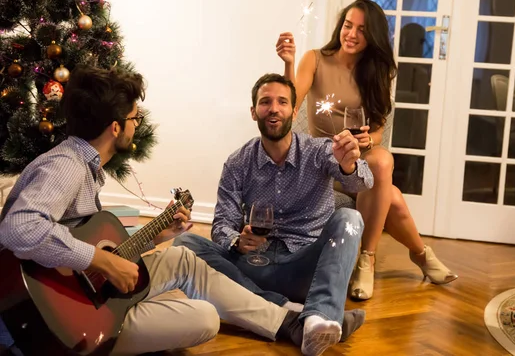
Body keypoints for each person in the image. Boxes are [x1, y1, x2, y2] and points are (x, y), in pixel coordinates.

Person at [0, 67, 325, 356]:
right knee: (205, 318)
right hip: (63, 326)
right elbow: (20, 228)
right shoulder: (67, 166)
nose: (136, 125)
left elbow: (85, 248)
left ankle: (290, 322)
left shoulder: (82, 164)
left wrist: (160, 234)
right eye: (134, 119)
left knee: (182, 258)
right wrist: (105, 261)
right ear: (115, 128)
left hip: (78, 295)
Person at [175, 73, 372, 356]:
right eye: (265, 102)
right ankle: (299, 314)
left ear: (294, 110)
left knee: (351, 219)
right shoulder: (237, 162)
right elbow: (221, 225)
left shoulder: (319, 151)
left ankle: (317, 316)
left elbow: (363, 183)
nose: (274, 108)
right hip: (254, 266)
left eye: (282, 102)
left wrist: (350, 165)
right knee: (184, 245)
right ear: (254, 111)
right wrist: (236, 241)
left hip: (305, 268)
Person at [276, 0, 458, 301]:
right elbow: (288, 106)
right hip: (322, 161)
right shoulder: (315, 59)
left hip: (357, 161)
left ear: (371, 36)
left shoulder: (378, 69)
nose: (351, 34)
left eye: (361, 30)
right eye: (348, 25)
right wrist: (288, 63)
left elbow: (377, 126)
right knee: (392, 195)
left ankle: (367, 258)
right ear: (340, 26)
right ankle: (420, 254)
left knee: (381, 162)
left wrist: (368, 141)